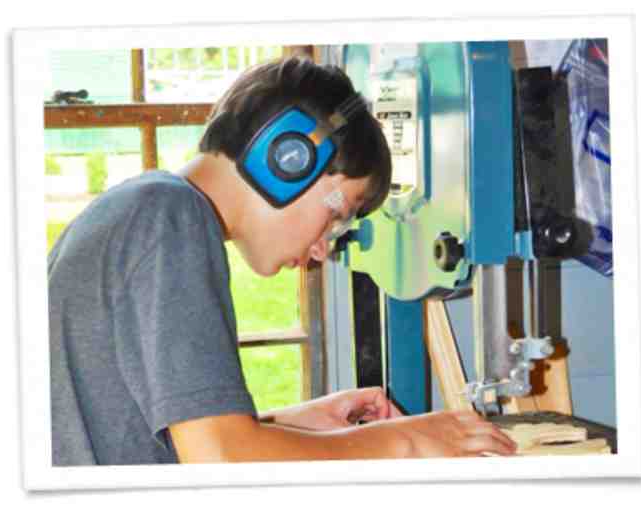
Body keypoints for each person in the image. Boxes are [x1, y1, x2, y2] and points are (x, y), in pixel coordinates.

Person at [48, 56, 516, 466]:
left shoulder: (144, 209)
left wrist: (295, 426)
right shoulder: (168, 218)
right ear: (289, 159)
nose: (323, 250)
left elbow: (175, 442)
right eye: (336, 214)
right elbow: (219, 461)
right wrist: (406, 441)